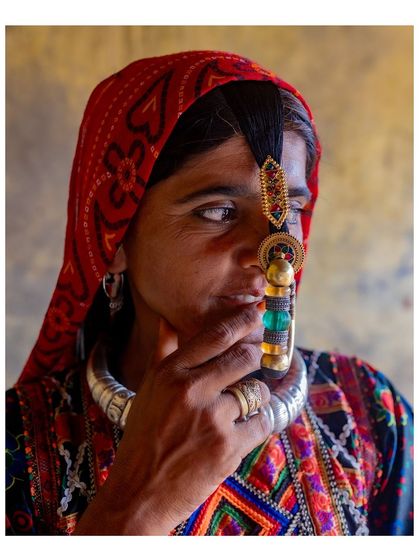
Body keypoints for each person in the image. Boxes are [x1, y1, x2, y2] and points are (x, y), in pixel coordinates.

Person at [6, 50, 413, 536]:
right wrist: (136, 508)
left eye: (289, 213)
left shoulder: (368, 413)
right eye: (218, 211)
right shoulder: (17, 445)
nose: (272, 255)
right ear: (114, 237)